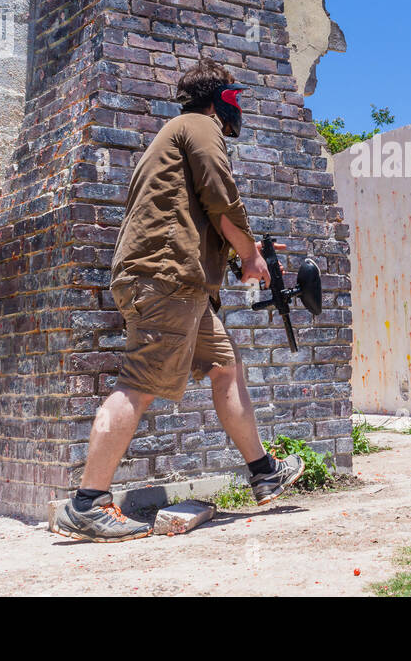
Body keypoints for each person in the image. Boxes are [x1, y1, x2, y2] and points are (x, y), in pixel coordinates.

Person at [50, 60, 305, 542]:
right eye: (236, 98)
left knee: (225, 366)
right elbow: (222, 201)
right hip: (168, 280)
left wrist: (243, 251)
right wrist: (251, 258)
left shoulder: (172, 134)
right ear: (223, 99)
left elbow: (196, 215)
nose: (239, 109)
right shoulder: (201, 127)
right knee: (140, 383)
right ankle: (88, 503)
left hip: (174, 280)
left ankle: (263, 471)